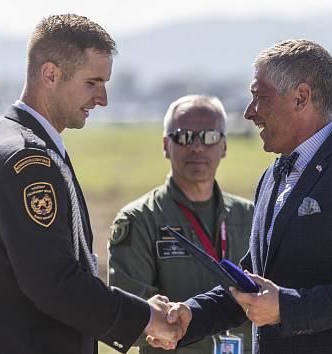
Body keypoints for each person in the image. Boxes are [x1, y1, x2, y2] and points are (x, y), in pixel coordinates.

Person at [150, 39, 332, 353]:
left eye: (259, 97)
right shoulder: (271, 176)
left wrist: (289, 308)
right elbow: (252, 285)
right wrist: (191, 315)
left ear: (301, 97)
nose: (250, 113)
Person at [0, 14, 182, 354]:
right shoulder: (26, 160)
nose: (102, 99)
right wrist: (147, 317)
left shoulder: (16, 142)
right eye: (92, 83)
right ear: (50, 74)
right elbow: (54, 284)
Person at [108, 95, 254, 354]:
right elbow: (131, 313)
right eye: (184, 136)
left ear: (224, 145)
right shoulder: (139, 219)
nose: (197, 147)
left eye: (209, 136)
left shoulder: (251, 216)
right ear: (166, 145)